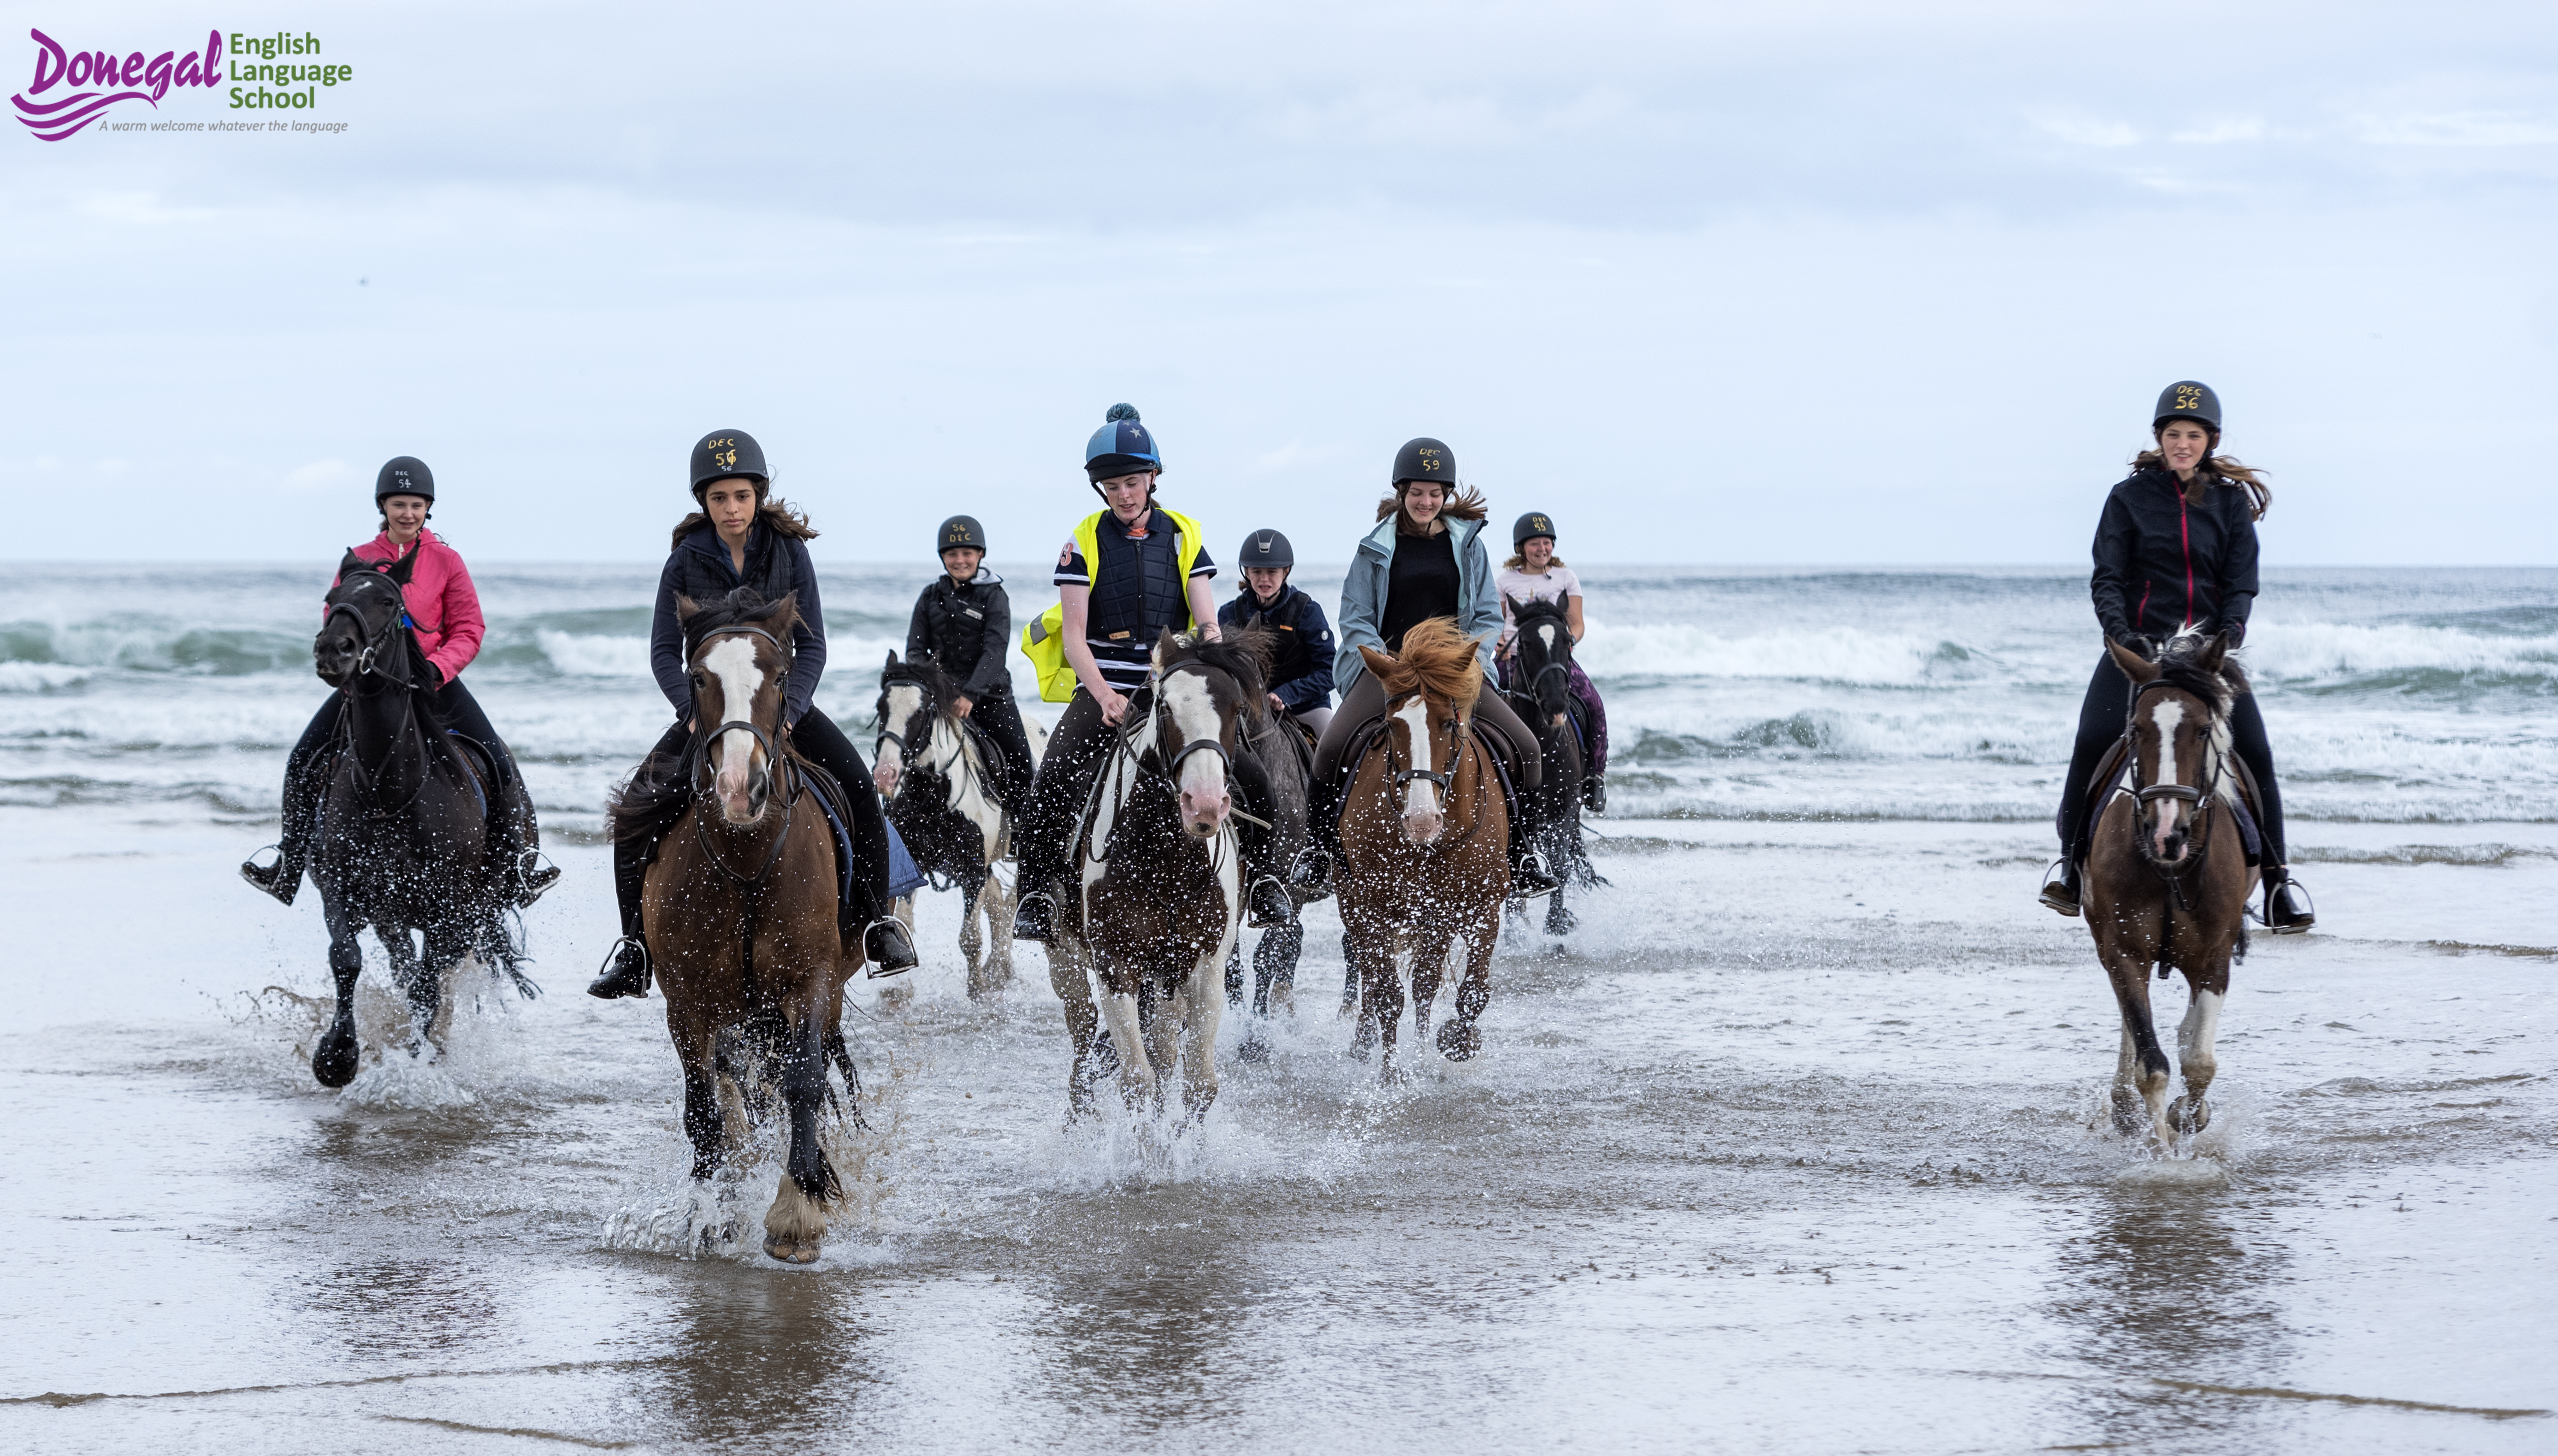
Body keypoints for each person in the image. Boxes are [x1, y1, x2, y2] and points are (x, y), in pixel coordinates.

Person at [588, 429, 919, 998]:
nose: (731, 508)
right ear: (704, 501)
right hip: (712, 714)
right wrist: (690, 713)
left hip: (779, 706)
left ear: (758, 495)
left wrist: (791, 712)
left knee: (859, 789)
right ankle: (635, 949)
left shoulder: (789, 551)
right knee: (636, 809)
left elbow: (812, 647)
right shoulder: (685, 559)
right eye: (719, 498)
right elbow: (664, 652)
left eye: (741, 496)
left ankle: (876, 926)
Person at [1009, 404, 1294, 944]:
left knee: (1254, 775)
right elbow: (1073, 638)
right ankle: (1036, 893)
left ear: (1153, 477)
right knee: (1053, 775)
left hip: (1174, 684)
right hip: (1106, 685)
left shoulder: (1184, 535)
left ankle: (1264, 881)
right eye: (1112, 485)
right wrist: (1104, 696)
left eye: (1132, 482)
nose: (1123, 494)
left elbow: (1206, 624)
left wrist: (1214, 675)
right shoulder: (1081, 541)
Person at [2040, 381, 2314, 932]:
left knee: (2256, 752)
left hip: (2205, 656)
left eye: (2193, 435)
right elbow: (2108, 578)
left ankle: (2279, 882)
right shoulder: (2127, 498)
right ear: (2159, 438)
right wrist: (2123, 635)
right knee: (2092, 740)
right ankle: (2069, 866)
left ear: (2210, 440)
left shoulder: (2229, 505)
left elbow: (2240, 582)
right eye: (2173, 434)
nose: (2182, 444)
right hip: (2139, 648)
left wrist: (2229, 633)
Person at [240, 456, 556, 908]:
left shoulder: (446, 561)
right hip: (368, 686)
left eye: (416, 505)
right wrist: (348, 668)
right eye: (398, 505)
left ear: (428, 509)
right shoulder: (359, 560)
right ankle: (287, 865)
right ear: (383, 507)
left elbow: (469, 628)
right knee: (303, 759)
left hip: (433, 682)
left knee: (496, 757)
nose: (408, 514)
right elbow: (337, 620)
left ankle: (518, 866)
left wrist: (438, 668)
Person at [1307, 437, 1557, 893]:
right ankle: (1318, 854)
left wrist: (1470, 661)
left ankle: (1524, 854)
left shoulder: (1469, 546)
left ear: (1446, 496)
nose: (1426, 502)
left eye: (1435, 493)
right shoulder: (1373, 548)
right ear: (1401, 492)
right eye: (1417, 492)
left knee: (1527, 748)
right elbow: (1355, 617)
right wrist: (1380, 659)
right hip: (1392, 671)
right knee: (1330, 748)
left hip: (1452, 670)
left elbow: (1486, 617)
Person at [888, 514, 1035, 810]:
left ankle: (1025, 826)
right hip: (940, 697)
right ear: (942, 557)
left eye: (967, 553)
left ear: (980, 554)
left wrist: (970, 694)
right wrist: (938, 689)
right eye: (952, 554)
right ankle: (892, 814)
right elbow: (915, 651)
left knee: (1020, 761)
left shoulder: (995, 596)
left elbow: (995, 651)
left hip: (990, 696)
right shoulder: (929, 596)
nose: (960, 561)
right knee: (897, 745)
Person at [1496, 510, 1610, 812]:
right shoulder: (1505, 581)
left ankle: (1594, 777)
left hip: (1555, 659)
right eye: (1535, 543)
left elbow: (1577, 624)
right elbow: (1496, 621)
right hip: (1514, 658)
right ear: (1521, 548)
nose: (1542, 549)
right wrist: (1498, 642)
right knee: (1476, 700)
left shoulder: (1566, 578)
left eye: (1547, 542)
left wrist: (1568, 642)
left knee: (1594, 704)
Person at [1217, 529, 1337, 737]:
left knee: (1335, 747)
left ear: (1286, 572)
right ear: (1246, 572)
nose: (1264, 579)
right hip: (1249, 712)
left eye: (1272, 572)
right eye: (1257, 572)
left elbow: (1331, 672)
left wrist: (1286, 694)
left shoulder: (1308, 611)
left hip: (1307, 708)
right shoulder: (1229, 614)